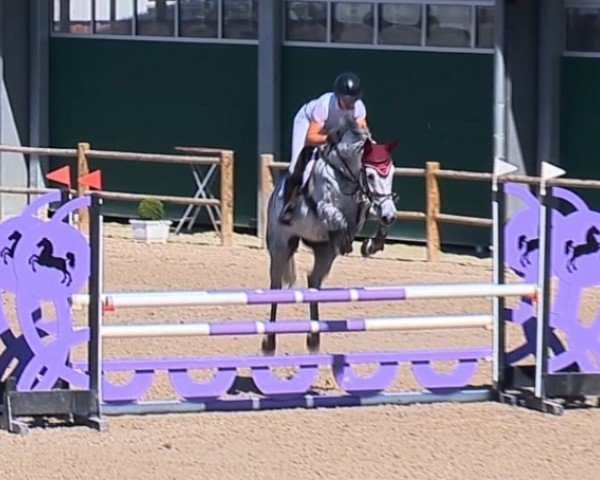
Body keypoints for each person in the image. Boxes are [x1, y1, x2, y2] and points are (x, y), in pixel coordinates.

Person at [279, 72, 370, 224]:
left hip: (333, 128)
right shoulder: (324, 105)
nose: (351, 103)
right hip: (307, 123)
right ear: (339, 96)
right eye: (347, 100)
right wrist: (328, 139)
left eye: (354, 99)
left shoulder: (359, 108)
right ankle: (288, 204)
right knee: (298, 164)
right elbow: (311, 138)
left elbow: (363, 133)